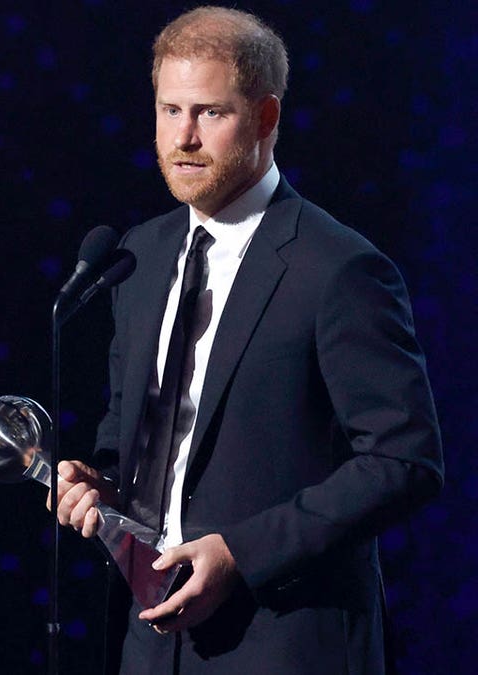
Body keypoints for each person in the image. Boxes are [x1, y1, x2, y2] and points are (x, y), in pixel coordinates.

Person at [50, 7, 443, 674]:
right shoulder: (139, 256)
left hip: (283, 642)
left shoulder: (338, 268)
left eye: (209, 112)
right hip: (150, 643)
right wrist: (102, 483)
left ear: (266, 119)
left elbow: (406, 462)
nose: (184, 137)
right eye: (169, 110)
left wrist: (240, 552)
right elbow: (130, 433)